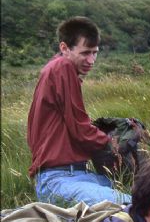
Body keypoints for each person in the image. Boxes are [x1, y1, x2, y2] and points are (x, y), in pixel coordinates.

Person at [27, 16, 131, 206]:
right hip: (59, 180)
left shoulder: (54, 68)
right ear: (64, 48)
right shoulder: (62, 67)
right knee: (131, 205)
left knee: (140, 192)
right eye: (85, 53)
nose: (91, 60)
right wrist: (111, 143)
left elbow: (74, 127)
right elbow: (80, 129)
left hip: (75, 174)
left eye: (95, 52)